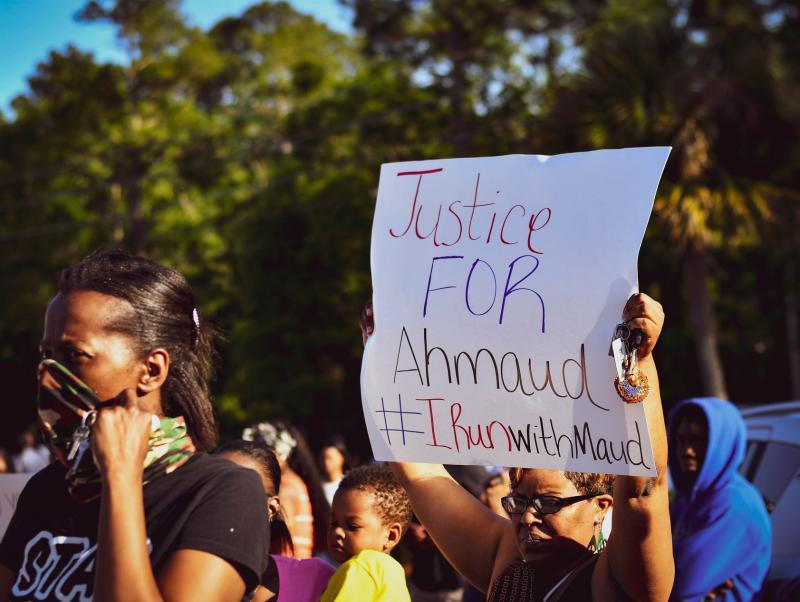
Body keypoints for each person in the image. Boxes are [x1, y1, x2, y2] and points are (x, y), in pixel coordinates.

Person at [364, 293, 674, 601]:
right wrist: (384, 361)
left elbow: (643, 490)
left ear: (601, 507)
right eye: (518, 502)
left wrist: (636, 360)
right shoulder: (505, 560)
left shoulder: (614, 582)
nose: (527, 518)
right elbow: (420, 476)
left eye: (548, 503)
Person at [0, 250, 269, 601]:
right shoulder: (49, 489)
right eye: (46, 355)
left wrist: (121, 477)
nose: (50, 377)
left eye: (73, 356)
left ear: (152, 370)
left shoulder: (221, 491)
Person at [668, 397, 771, 601]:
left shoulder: (733, 504)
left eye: (698, 441)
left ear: (722, 445)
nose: (687, 451)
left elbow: (676, 586)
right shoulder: (688, 498)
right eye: (681, 440)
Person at [216, 440, 335, 602]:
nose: (224, 500)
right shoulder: (179, 572)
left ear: (271, 508)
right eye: (213, 487)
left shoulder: (314, 580)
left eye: (240, 490)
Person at [320, 463, 412, 602]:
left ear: (391, 536)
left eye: (352, 526)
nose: (337, 531)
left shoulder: (361, 567)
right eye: (334, 523)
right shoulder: (394, 570)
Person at [244, 419, 330, 558]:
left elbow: (280, 533)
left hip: (285, 565)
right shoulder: (293, 482)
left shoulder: (286, 487)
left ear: (278, 454)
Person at [320, 435, 351, 505]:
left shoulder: (348, 485)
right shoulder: (316, 485)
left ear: (342, 459)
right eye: (323, 458)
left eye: (330, 458)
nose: (326, 462)